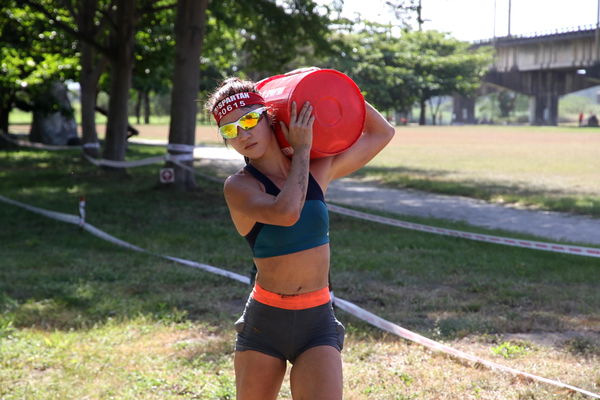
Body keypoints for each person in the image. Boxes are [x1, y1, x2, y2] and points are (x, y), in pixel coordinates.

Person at [206, 77, 395, 400]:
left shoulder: (318, 170)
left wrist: (325, 85)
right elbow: (286, 212)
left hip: (317, 318)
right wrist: (304, 148)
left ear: (271, 116)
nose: (243, 133)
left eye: (250, 119)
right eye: (230, 130)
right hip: (266, 322)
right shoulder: (240, 187)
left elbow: (382, 133)